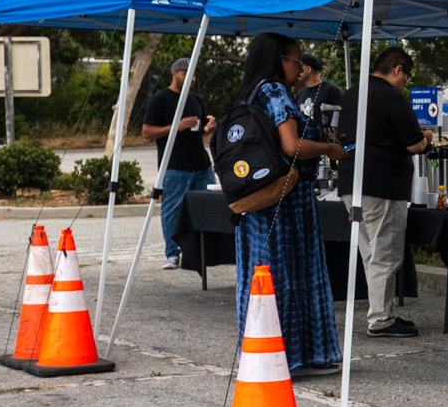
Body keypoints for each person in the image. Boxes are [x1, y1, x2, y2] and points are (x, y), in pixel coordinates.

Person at [226, 34, 346, 376]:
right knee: (291, 275)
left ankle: (264, 352)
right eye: (296, 60)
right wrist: (327, 149)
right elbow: (292, 146)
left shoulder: (250, 92)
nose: (300, 67)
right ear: (279, 59)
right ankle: (294, 355)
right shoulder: (275, 92)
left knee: (259, 276)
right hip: (286, 202)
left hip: (257, 200)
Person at [348, 48, 437, 337]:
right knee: (385, 254)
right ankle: (381, 319)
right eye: (406, 76)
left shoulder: (351, 94)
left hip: (351, 185)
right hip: (383, 186)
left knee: (368, 252)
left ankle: (381, 312)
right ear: (397, 69)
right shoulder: (391, 97)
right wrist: (426, 138)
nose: (405, 83)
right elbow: (413, 144)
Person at [134, 60, 215, 261]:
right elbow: (146, 132)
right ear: (174, 74)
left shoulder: (195, 99)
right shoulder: (160, 99)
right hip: (175, 165)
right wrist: (175, 126)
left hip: (202, 164)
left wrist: (207, 127)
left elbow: (201, 126)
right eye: (186, 73)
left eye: (194, 74)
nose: (191, 78)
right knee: (173, 209)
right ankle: (172, 253)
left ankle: (202, 251)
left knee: (208, 205)